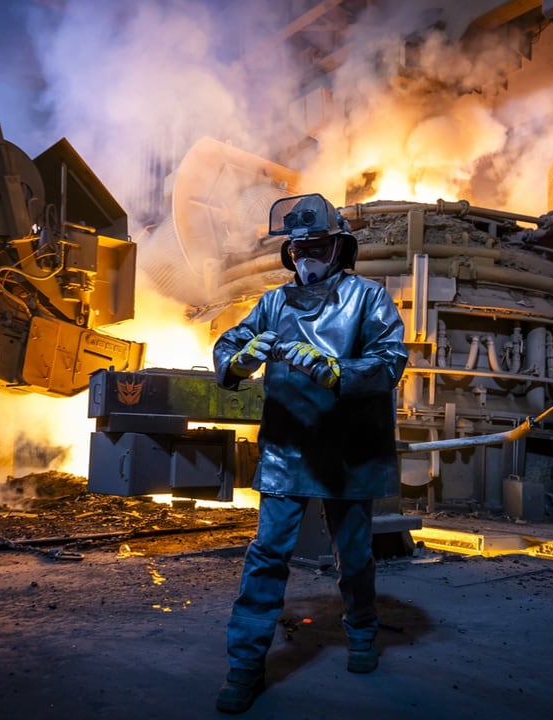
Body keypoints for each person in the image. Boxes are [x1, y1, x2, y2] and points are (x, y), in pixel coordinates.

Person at [212, 193, 408, 714]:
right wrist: (238, 359)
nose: (306, 257)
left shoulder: (368, 298)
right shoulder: (273, 303)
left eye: (316, 246)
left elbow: (391, 362)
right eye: (297, 250)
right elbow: (229, 346)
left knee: (356, 555)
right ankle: (245, 665)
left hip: (350, 451)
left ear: (339, 247)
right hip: (287, 447)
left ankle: (361, 632)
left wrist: (337, 369)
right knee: (267, 557)